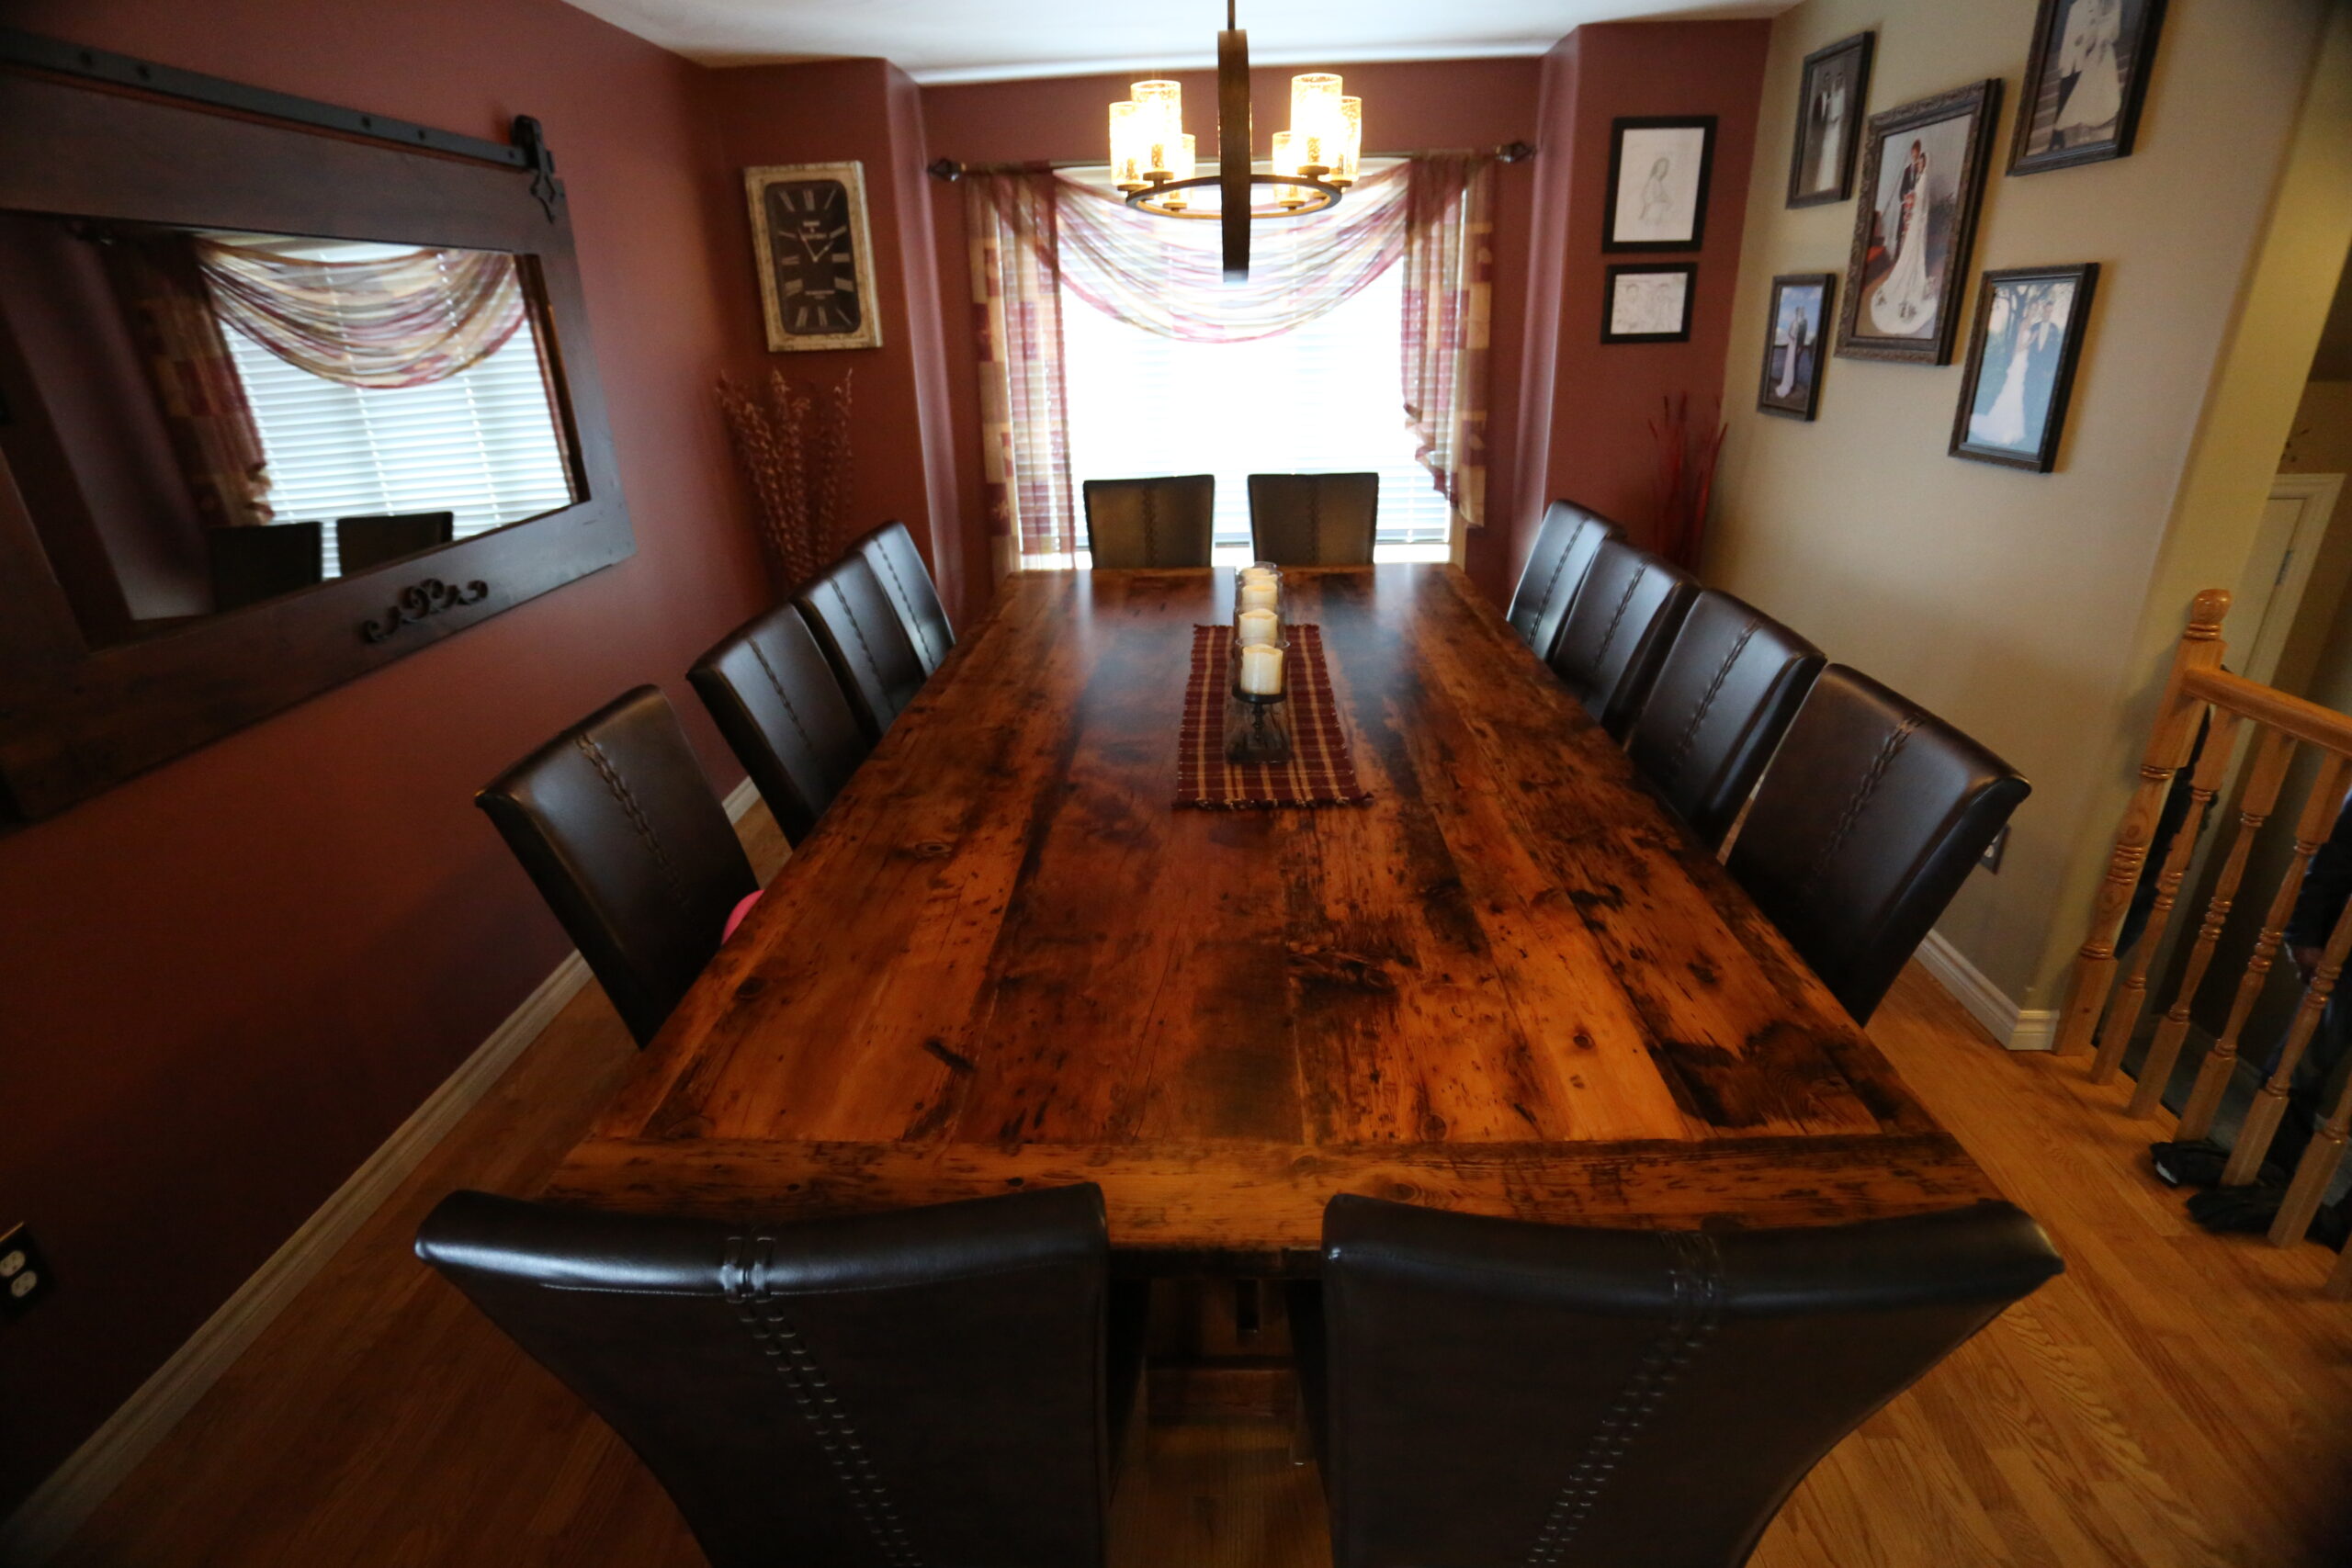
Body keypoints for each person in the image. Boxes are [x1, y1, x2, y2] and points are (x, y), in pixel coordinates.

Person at [1869, 140, 1936, 335]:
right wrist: (1907, 199)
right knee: (1904, 242)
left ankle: (1911, 269)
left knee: (1914, 246)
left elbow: (1922, 202)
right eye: (1915, 157)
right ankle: (1901, 261)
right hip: (1908, 211)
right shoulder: (1908, 171)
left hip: (1917, 217)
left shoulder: (1923, 178)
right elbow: (1903, 192)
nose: (1917, 161)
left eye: (1919, 159)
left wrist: (1914, 204)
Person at [2052, 0, 2124, 149]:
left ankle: (2084, 128)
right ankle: (2058, 137)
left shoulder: (2105, 3)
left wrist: (2096, 40)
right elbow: (2069, 36)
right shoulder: (2076, 7)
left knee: (2091, 87)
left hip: (2092, 53)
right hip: (2072, 59)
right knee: (2067, 92)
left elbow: (2107, 23)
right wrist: (2063, 62)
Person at [1809, 73, 1848, 192]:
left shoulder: (1838, 96)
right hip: (1823, 133)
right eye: (1826, 81)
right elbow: (1816, 119)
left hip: (1833, 130)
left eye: (1840, 80)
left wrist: (1835, 120)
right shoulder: (1820, 98)